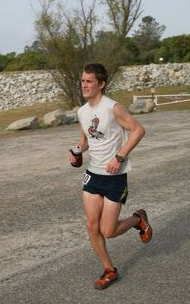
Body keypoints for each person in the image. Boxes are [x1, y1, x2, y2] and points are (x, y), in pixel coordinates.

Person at [68, 63, 152, 290]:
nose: (84, 85)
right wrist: (76, 151)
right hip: (93, 175)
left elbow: (138, 130)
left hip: (115, 176)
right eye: (83, 81)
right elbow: (85, 141)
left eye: (89, 81)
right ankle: (109, 269)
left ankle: (138, 219)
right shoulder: (82, 112)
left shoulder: (112, 108)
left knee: (109, 230)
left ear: (101, 84)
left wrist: (120, 156)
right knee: (91, 226)